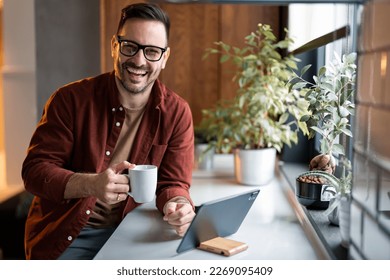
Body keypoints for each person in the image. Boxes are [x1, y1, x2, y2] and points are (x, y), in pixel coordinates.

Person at [21, 2, 196, 260]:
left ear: (165, 58)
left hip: (131, 231)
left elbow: (174, 183)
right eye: (130, 47)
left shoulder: (177, 112)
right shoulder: (69, 100)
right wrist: (91, 184)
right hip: (68, 235)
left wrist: (179, 205)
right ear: (115, 46)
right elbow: (35, 171)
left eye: (151, 51)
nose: (138, 60)